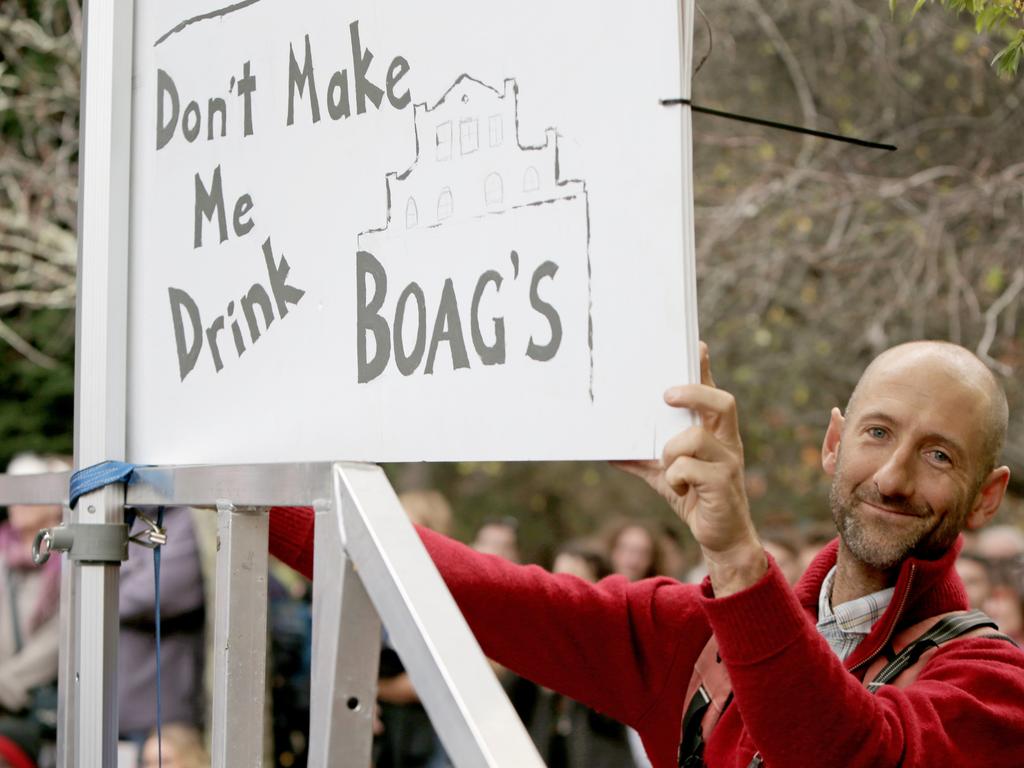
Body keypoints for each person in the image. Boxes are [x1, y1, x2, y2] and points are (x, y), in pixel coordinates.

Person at [268, 341, 1024, 766]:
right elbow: (461, 586)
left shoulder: (993, 686)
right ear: (833, 443)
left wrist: (733, 557)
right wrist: (234, 484)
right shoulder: (693, 640)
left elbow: (844, 754)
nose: (892, 478)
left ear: (987, 495)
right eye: (878, 433)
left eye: (938, 456)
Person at [0, 453, 69, 768]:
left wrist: (8, 682)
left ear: (54, 503)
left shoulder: (68, 556)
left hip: (45, 706)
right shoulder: (3, 552)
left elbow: (62, 633)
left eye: (29, 493)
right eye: (14, 492)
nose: (19, 503)